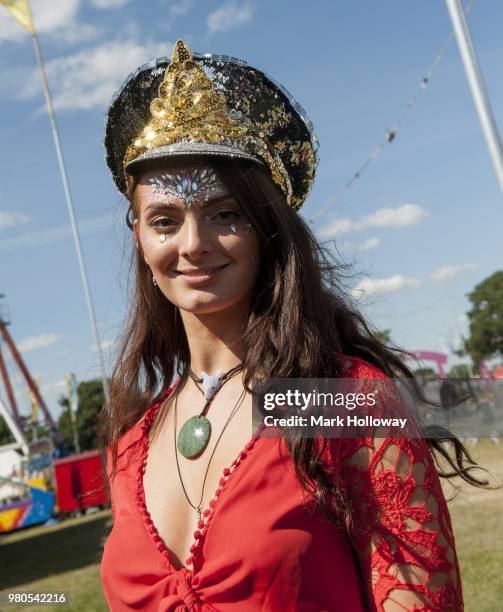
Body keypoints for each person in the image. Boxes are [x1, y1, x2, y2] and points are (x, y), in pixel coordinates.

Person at [99, 40, 484, 611]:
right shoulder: (129, 447)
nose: (194, 244)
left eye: (225, 214)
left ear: (267, 230)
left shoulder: (328, 401)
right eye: (164, 220)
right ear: (139, 238)